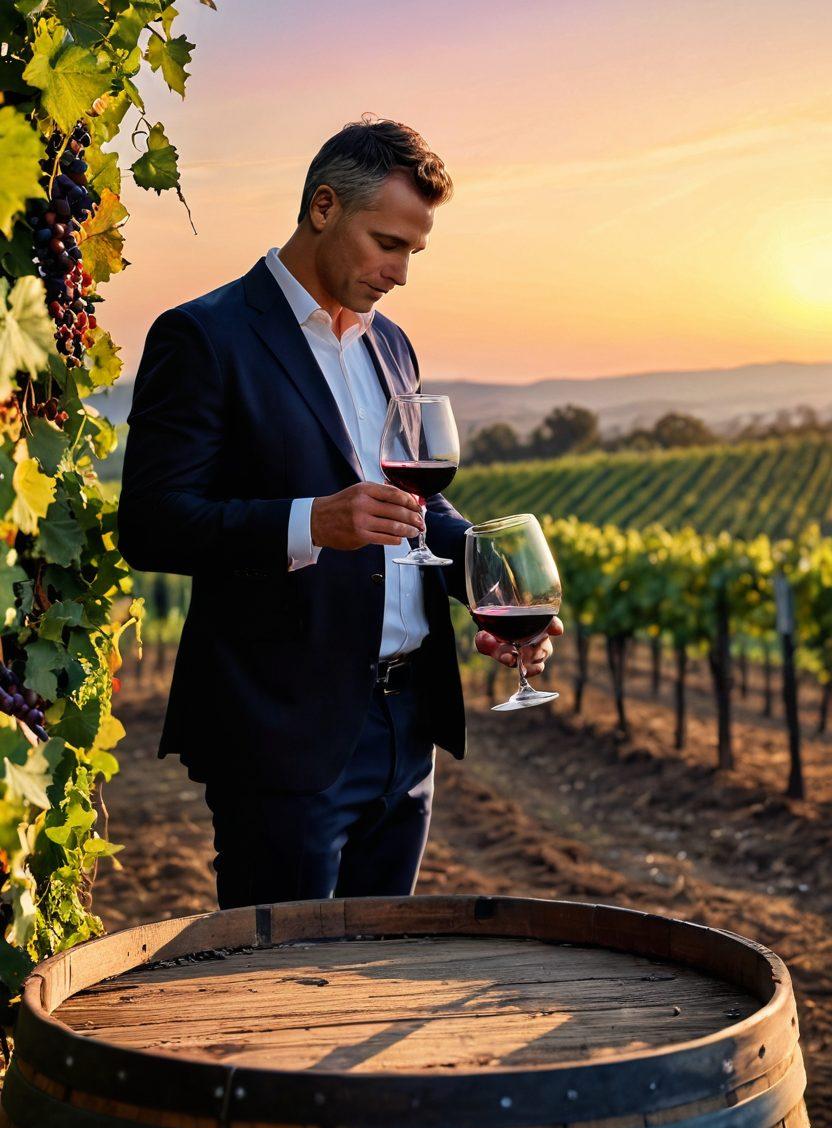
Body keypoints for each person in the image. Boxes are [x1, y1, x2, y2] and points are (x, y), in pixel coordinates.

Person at [117, 116, 563, 909]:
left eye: (413, 252)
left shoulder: (391, 343)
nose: (400, 273)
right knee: (284, 994)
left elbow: (416, 503)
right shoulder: (204, 336)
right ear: (324, 207)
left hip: (406, 724)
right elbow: (152, 521)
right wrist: (309, 522)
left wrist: (489, 588)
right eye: (388, 244)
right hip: (284, 733)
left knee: (373, 979)